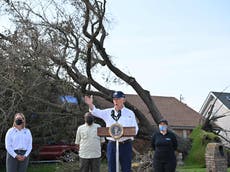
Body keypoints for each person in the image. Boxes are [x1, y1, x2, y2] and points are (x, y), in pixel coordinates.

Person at [84, 91, 139, 172]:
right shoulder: (108, 112)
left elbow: (135, 129)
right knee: (111, 168)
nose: (116, 101)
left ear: (123, 100)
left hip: (125, 144)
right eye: (114, 99)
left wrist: (126, 133)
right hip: (112, 144)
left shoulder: (130, 113)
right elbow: (95, 112)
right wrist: (90, 104)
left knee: (126, 168)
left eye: (118, 99)